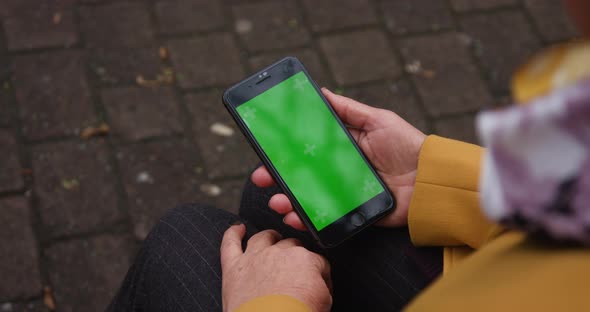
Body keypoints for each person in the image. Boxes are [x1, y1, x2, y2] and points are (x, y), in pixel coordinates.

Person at [108, 1, 590, 311]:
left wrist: (274, 302)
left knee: (182, 237)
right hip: (498, 272)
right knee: (275, 202)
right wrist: (436, 178)